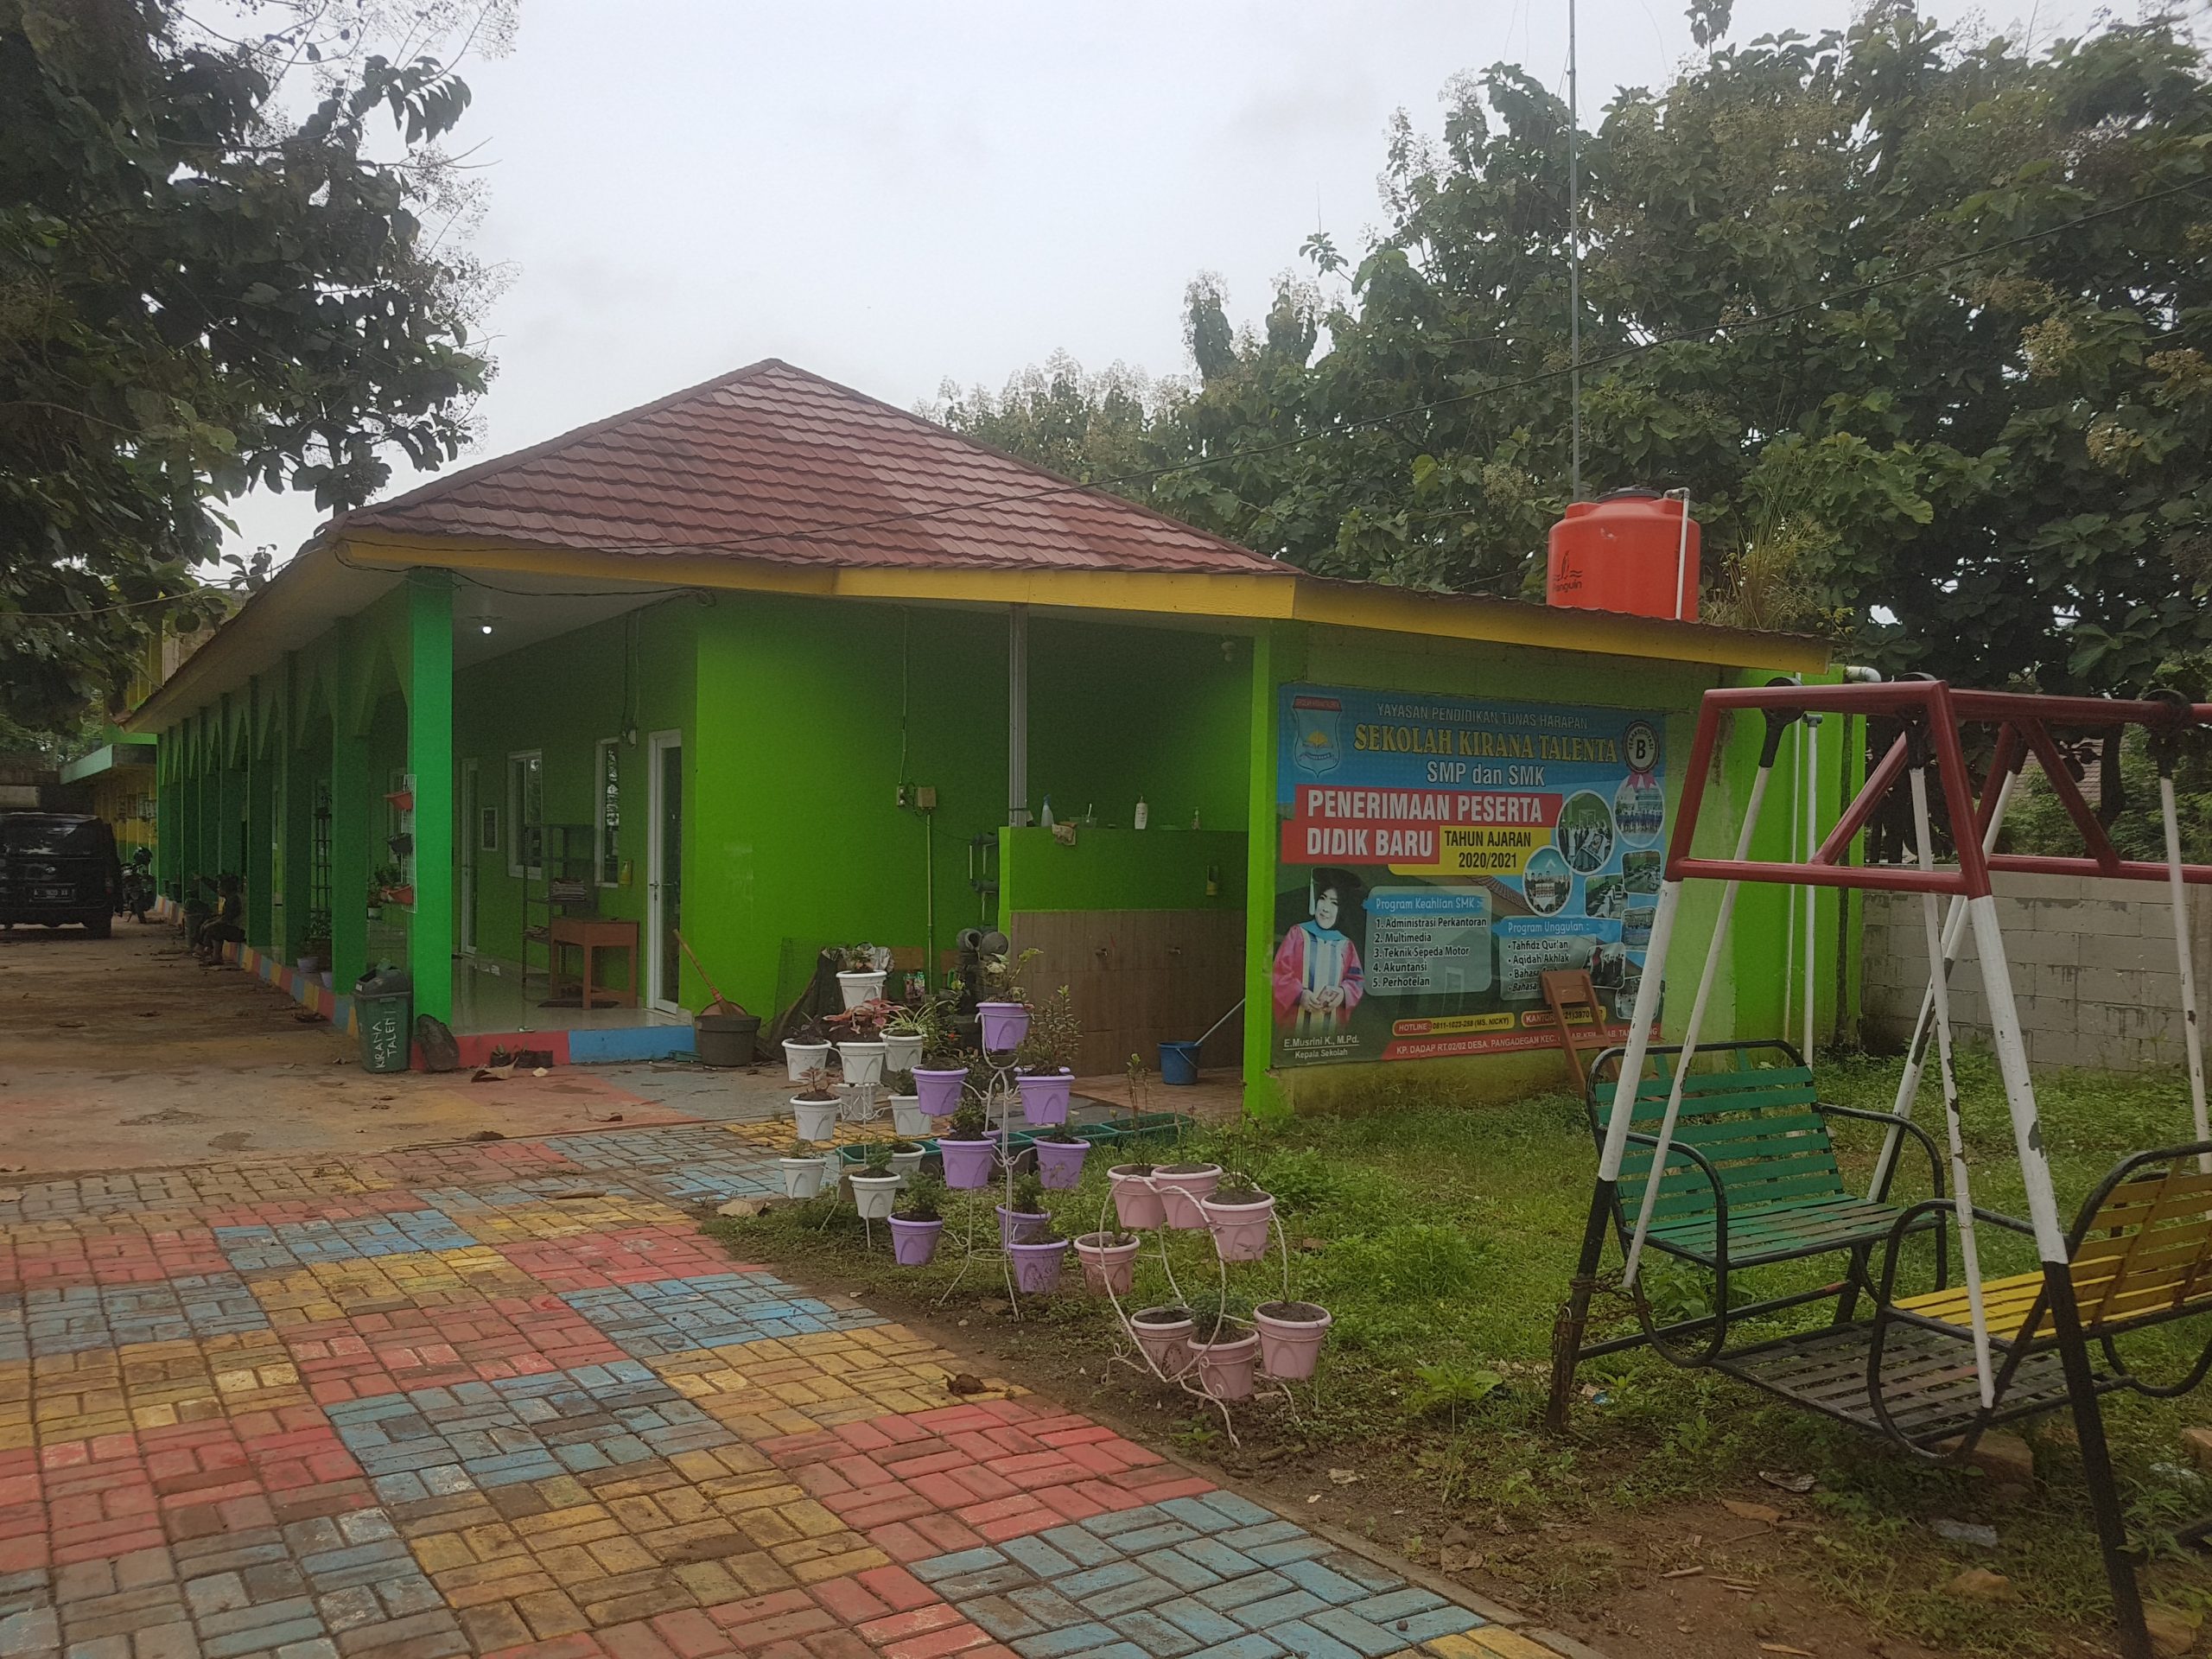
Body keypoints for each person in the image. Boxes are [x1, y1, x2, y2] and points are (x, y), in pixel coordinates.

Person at [1272, 868, 1365, 1030]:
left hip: (1331, 1029)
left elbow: (1356, 980)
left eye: (1335, 903)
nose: (1325, 908)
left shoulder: (1345, 945)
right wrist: (1300, 994)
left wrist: (1342, 994)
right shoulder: (1298, 934)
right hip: (1295, 1028)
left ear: (1343, 908)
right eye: (1323, 898)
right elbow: (1279, 973)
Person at [194, 874, 245, 963]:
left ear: (225, 889)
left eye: (219, 887)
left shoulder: (234, 900)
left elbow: (227, 919)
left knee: (214, 928)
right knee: (207, 920)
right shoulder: (230, 897)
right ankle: (203, 948)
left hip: (241, 931)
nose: (217, 889)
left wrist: (210, 924)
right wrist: (210, 921)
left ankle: (216, 956)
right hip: (233, 926)